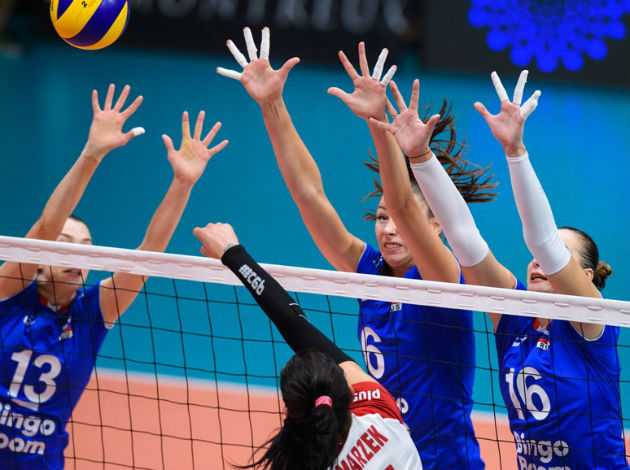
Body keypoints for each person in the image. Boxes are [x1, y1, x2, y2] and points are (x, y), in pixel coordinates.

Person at [217, 27, 496, 469]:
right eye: (381, 218)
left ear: (437, 226)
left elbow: (403, 205)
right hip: (378, 456)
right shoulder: (369, 270)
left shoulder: (444, 280)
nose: (389, 229)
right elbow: (309, 195)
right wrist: (272, 105)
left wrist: (378, 122)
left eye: (400, 221)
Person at [374, 70, 629, 469]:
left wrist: (515, 150)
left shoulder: (591, 322)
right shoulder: (514, 319)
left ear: (585, 278)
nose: (538, 262)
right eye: (538, 259)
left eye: (561, 257)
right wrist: (420, 158)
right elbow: (463, 238)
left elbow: (543, 242)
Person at [0, 84, 228, 469]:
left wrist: (183, 183)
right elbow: (45, 228)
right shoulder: (8, 297)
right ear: (39, 260)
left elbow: (147, 255)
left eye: (86, 247)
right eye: (66, 245)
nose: (77, 255)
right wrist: (92, 153)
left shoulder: (92, 313)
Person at [193, 221, 423, 470]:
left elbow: (293, 324)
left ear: (290, 413)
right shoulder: (380, 411)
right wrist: (232, 252)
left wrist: (233, 253)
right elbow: (295, 325)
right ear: (350, 392)